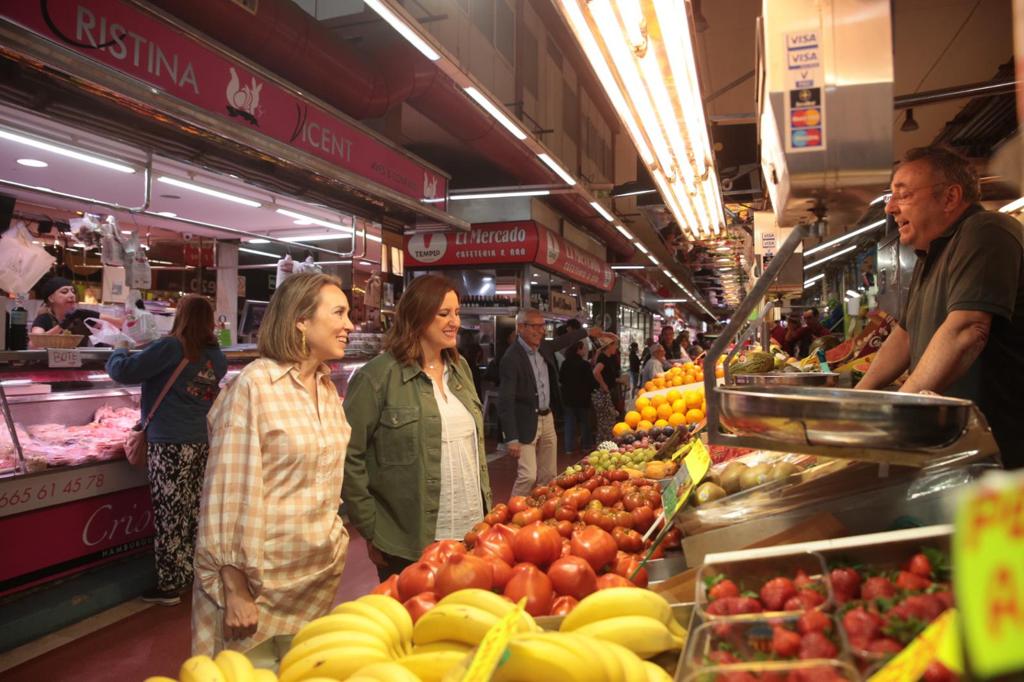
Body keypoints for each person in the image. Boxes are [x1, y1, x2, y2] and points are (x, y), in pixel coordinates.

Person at [191, 273, 355, 655]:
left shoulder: (328, 389)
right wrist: (235, 590)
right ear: (301, 319)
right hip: (256, 591)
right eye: (339, 313)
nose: (350, 325)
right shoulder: (256, 385)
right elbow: (226, 495)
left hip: (314, 583)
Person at [855, 145, 1024, 468]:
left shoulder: (986, 231)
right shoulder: (930, 256)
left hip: (1002, 452)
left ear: (949, 198)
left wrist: (896, 413)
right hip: (958, 447)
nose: (890, 207)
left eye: (902, 195)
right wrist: (854, 402)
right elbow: (904, 337)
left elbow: (967, 330)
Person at [344, 275, 492, 580]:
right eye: (444, 314)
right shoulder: (377, 377)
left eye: (457, 313)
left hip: (471, 531)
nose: (455, 322)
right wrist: (371, 527)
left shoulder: (460, 369)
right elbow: (349, 454)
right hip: (408, 542)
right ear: (417, 315)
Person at [105, 295, 227, 606]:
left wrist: (118, 348)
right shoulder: (216, 355)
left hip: (170, 444)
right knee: (193, 512)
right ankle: (193, 572)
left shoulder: (173, 347)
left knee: (170, 515)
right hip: (201, 442)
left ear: (181, 318)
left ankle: (171, 584)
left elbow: (124, 372)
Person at [498, 310, 603, 497]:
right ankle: (513, 513)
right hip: (525, 421)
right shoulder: (512, 358)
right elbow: (506, 399)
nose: (541, 331)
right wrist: (511, 438)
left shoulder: (543, 348)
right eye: (535, 326)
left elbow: (563, 341)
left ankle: (543, 510)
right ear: (521, 327)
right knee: (528, 476)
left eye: (542, 326)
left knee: (549, 475)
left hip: (547, 418)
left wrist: (588, 332)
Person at [30, 276, 119, 347]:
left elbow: (119, 324)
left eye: (73, 292)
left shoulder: (81, 316)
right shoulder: (44, 318)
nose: (72, 295)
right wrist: (62, 326)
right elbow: (34, 343)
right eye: (64, 292)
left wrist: (92, 315)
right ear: (51, 298)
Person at [559, 341, 596, 455]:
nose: (585, 350)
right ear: (578, 350)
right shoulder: (584, 364)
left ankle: (568, 448)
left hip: (568, 398)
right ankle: (586, 446)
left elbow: (561, 379)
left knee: (569, 423)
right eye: (584, 348)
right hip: (582, 399)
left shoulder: (565, 363)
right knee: (585, 422)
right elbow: (591, 382)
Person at [592, 336, 622, 442]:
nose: (616, 347)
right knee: (606, 421)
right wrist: (603, 384)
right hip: (602, 394)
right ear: (609, 346)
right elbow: (596, 372)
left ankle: (606, 443)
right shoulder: (603, 358)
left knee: (608, 419)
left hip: (606, 392)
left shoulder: (608, 357)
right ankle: (604, 444)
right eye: (615, 345)